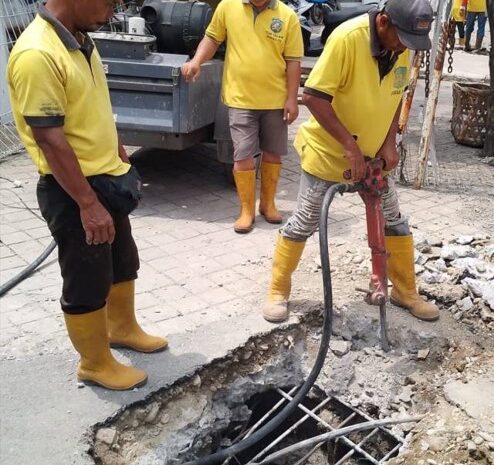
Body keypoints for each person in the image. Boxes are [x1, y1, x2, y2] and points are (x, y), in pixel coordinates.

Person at [7, 0, 167, 391]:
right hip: (74, 189)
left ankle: (122, 327)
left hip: (105, 177)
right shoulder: (37, 53)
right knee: (86, 277)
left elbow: (92, 110)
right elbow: (49, 137)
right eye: (108, 0)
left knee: (122, 261)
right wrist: (88, 204)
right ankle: (94, 363)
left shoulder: (79, 40)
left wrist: (119, 154)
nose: (113, 10)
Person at [262, 0, 441, 323]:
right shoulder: (348, 39)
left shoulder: (403, 43)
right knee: (304, 221)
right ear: (383, 22)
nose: (404, 48)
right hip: (330, 153)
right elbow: (313, 96)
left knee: (395, 221)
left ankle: (405, 291)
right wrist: (351, 148)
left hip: (374, 158)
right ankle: (278, 291)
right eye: (401, 38)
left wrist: (389, 143)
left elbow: (395, 95)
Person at [182, 0, 303, 234]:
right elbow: (212, 38)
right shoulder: (228, 6)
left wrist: (291, 98)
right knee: (242, 154)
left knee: (273, 153)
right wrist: (197, 61)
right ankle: (246, 210)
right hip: (240, 98)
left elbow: (293, 61)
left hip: (275, 101)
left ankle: (268, 204)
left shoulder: (287, 16)